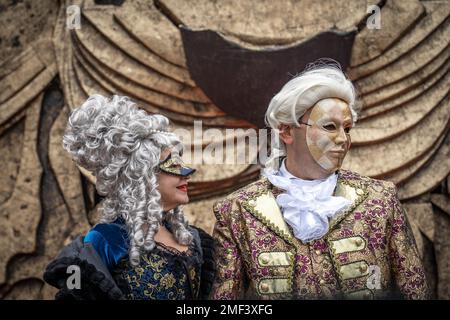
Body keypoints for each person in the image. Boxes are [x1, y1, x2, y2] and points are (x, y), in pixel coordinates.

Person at [210, 60, 429, 300]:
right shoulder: (238, 210)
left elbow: (415, 292)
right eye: (329, 126)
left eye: (347, 128)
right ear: (286, 131)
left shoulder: (380, 199)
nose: (343, 139)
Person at [43, 95, 215, 300]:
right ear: (141, 177)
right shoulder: (105, 240)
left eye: (181, 163)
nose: (186, 173)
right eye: (172, 166)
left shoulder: (191, 237)